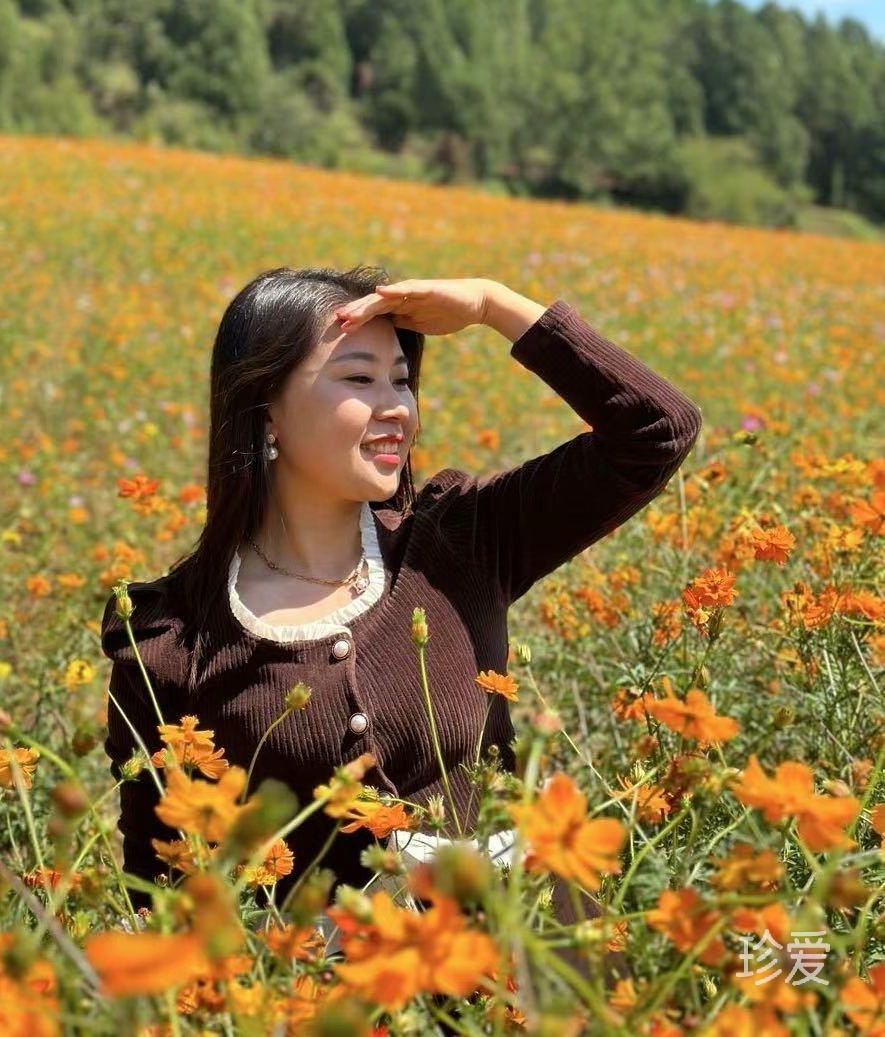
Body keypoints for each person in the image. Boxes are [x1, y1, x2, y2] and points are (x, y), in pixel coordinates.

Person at [99, 266, 702, 978]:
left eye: (402, 381)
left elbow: (657, 429)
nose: (397, 410)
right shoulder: (171, 638)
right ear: (265, 410)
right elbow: (163, 889)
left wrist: (492, 305)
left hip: (535, 984)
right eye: (360, 379)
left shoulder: (458, 540)